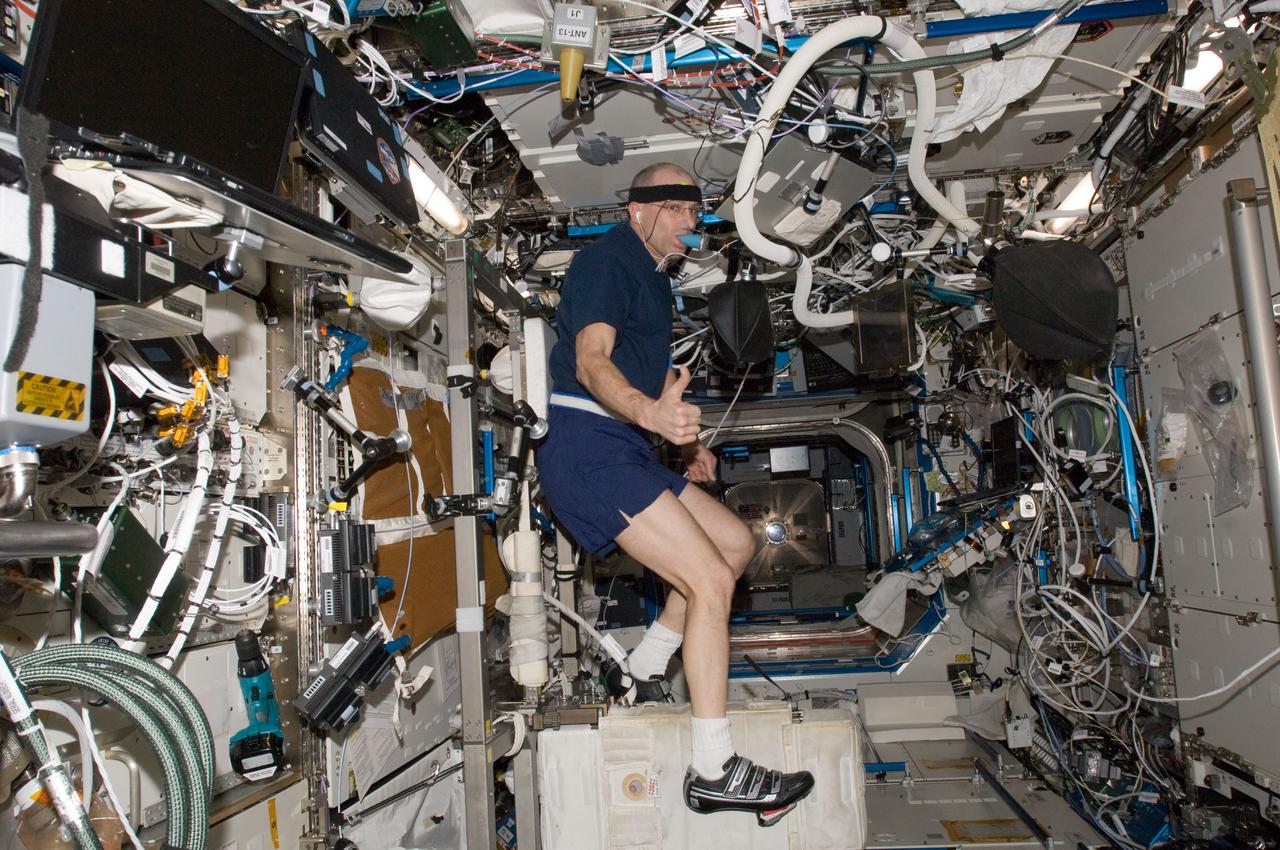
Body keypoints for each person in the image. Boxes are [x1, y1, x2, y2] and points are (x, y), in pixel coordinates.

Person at [536, 162, 814, 826]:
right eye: (679, 208)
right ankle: (714, 770)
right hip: (588, 445)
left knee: (735, 544)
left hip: (626, 447)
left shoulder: (656, 283)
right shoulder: (607, 261)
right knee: (709, 580)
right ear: (639, 210)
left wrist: (685, 441)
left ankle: (644, 664)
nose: (693, 221)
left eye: (696, 210)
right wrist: (651, 414)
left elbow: (647, 381)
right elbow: (592, 362)